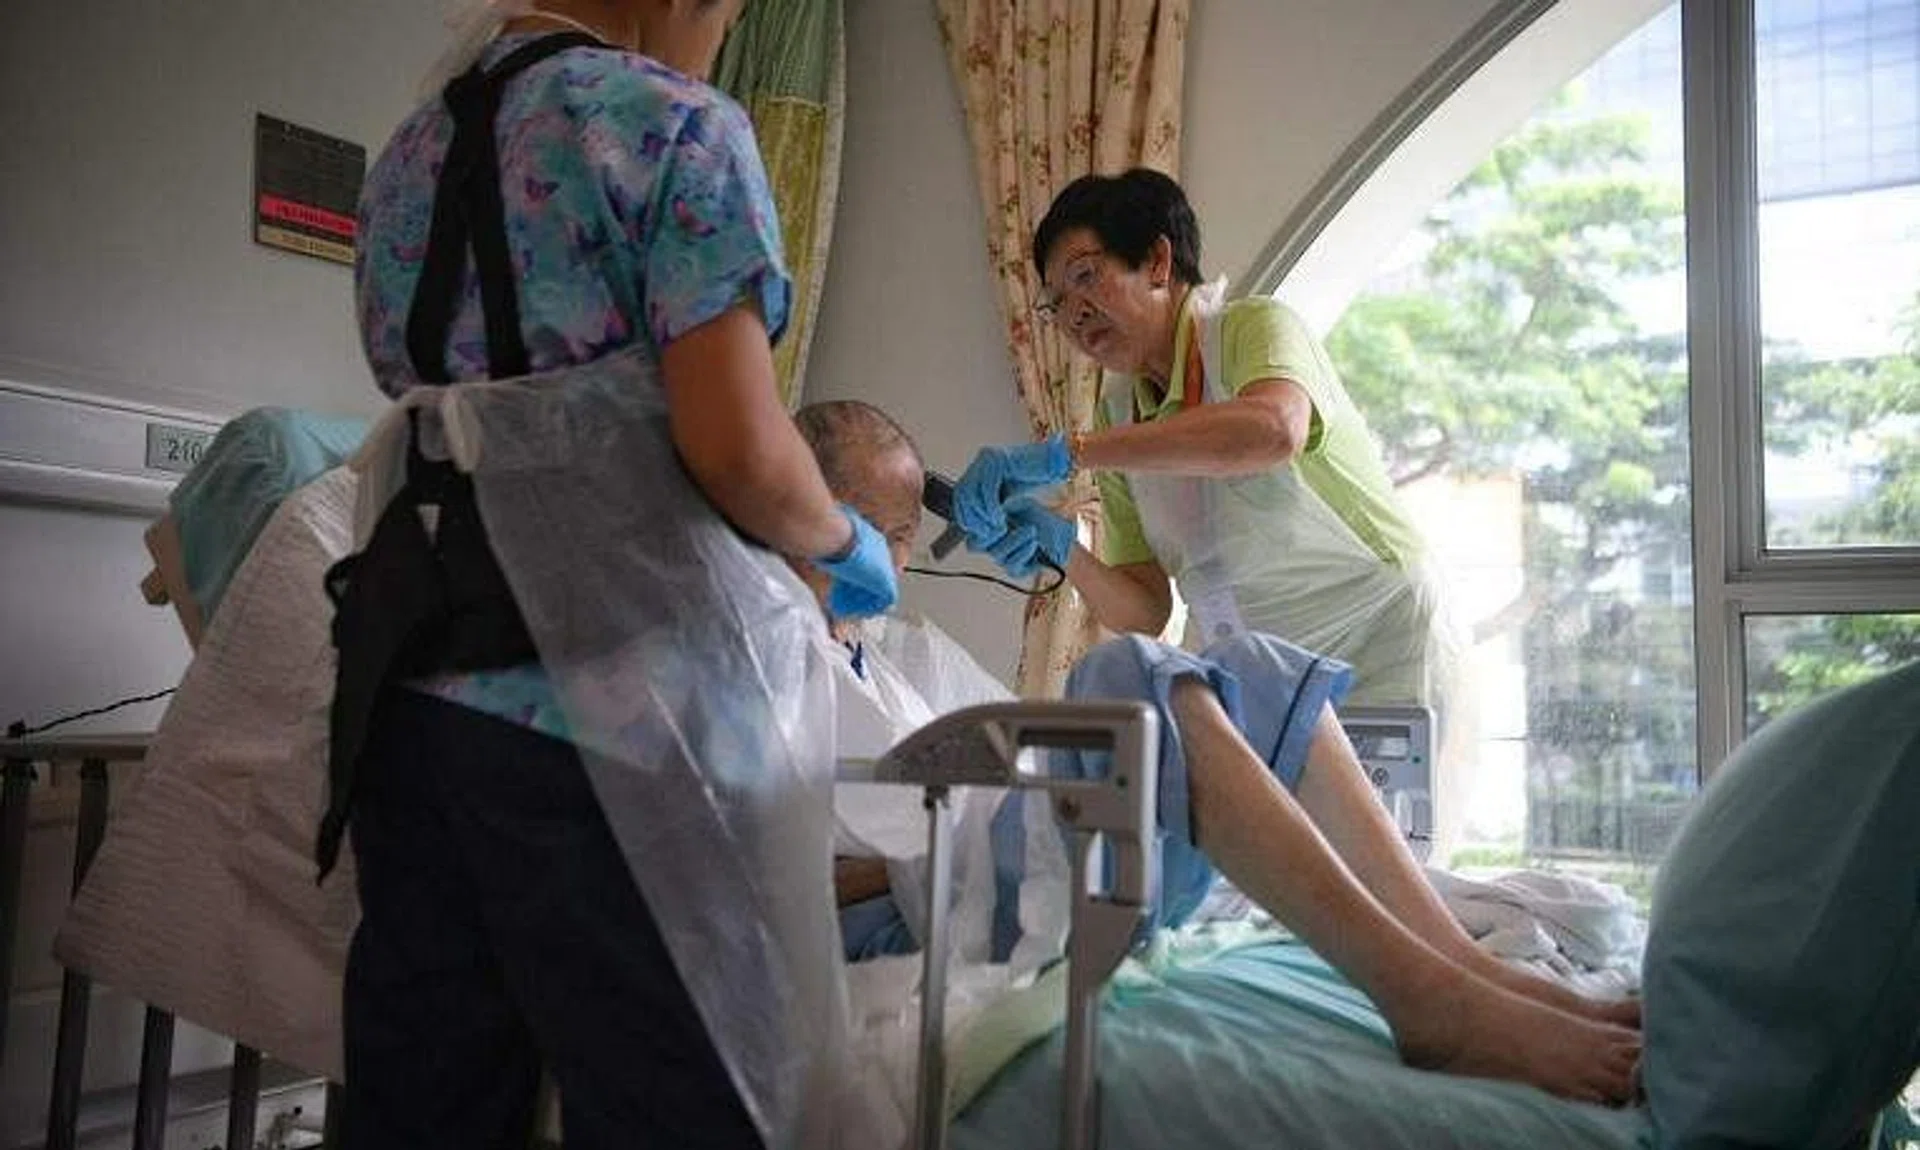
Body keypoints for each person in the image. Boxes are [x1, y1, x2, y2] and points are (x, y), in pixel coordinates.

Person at [326, 3, 895, 1147]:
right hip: (612, 721)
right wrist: (841, 542)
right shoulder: (672, 126)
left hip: (411, 687)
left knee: (428, 1100)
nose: (718, 31)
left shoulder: (409, 151)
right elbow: (736, 446)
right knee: (678, 1100)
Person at [790, 400, 1641, 1106]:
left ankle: (1457, 970)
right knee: (1125, 671)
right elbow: (764, 866)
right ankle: (1426, 1004)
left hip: (1001, 848)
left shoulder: (898, 653)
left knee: (1256, 665)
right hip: (930, 897)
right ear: (799, 505)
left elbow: (1022, 740)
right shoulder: (760, 657)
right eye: (878, 529)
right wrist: (915, 856)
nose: (898, 557)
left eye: (906, 533)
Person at [950, 168, 1449, 718]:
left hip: (1377, 646)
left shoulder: (1251, 328)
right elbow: (1145, 610)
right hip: (1256, 670)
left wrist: (1073, 453)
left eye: (1086, 276)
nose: (1073, 312)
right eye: (1056, 302)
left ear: (1159, 262)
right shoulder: (1118, 408)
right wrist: (1065, 550)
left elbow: (1273, 429)